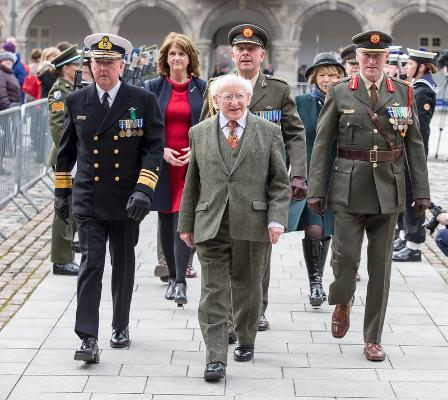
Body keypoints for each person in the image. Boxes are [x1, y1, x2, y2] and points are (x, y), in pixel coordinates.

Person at [307, 31, 430, 362]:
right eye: (366, 55)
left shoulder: (403, 92)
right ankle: (343, 298)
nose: (372, 61)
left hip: (389, 189)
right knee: (345, 260)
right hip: (348, 188)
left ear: (386, 58)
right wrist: (316, 188)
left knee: (381, 268)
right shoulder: (339, 91)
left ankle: (373, 338)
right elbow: (322, 144)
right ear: (357, 58)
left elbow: (414, 145)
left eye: (378, 56)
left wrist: (422, 192)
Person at [53, 33, 164, 363]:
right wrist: (62, 193)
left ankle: (120, 325)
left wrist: (144, 189)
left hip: (127, 198)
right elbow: (66, 152)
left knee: (123, 263)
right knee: (91, 263)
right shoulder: (77, 101)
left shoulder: (142, 100)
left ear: (122, 66)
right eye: (97, 62)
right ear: (89, 65)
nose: (102, 68)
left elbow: (153, 148)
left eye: (109, 62)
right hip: (89, 196)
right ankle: (87, 337)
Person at [178, 74, 290, 380]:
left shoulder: (268, 132)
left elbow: (279, 182)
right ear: (216, 101)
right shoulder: (199, 132)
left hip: (253, 223)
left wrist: (277, 219)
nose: (234, 102)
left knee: (248, 287)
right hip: (210, 223)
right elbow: (192, 183)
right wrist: (186, 223)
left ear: (249, 98)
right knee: (212, 292)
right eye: (227, 96)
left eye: (240, 96)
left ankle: (246, 337)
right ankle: (215, 358)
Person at [200, 23, 307, 334]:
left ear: (262, 55)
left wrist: (298, 174)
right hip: (224, 181)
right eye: (240, 49)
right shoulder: (216, 87)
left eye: (252, 49)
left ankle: (256, 309)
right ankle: (229, 317)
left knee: (259, 254)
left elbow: (295, 134)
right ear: (232, 54)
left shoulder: (277, 90)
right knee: (224, 250)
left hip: (261, 183)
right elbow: (203, 132)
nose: (246, 53)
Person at [144, 32, 206, 304]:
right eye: (172, 54)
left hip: (193, 163)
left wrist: (197, 150)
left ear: (190, 58)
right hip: (164, 162)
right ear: (165, 59)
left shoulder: (204, 88)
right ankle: (171, 276)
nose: (177, 58)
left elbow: (211, 125)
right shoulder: (153, 88)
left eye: (182, 53)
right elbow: (145, 128)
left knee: (184, 217)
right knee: (166, 218)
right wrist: (162, 151)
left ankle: (180, 281)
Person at [288, 53, 345, 306]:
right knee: (314, 229)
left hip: (338, 177)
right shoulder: (300, 103)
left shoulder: (346, 103)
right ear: (313, 78)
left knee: (327, 230)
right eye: (322, 75)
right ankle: (316, 283)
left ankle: (319, 278)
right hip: (309, 177)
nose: (327, 80)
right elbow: (290, 140)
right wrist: (287, 174)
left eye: (332, 75)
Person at [393, 48, 438, 262]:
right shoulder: (415, 88)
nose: (406, 67)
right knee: (406, 196)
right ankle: (406, 238)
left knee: (413, 198)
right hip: (406, 150)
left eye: (410, 64)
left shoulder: (422, 92)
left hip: (413, 153)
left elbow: (418, 128)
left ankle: (414, 246)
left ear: (422, 67)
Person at [48, 45, 82, 276]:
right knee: (65, 209)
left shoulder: (73, 88)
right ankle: (61, 259)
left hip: (76, 156)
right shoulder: (59, 92)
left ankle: (69, 244)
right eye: (76, 65)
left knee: (74, 205)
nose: (80, 68)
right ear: (66, 68)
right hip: (66, 159)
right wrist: (71, 154)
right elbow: (58, 127)